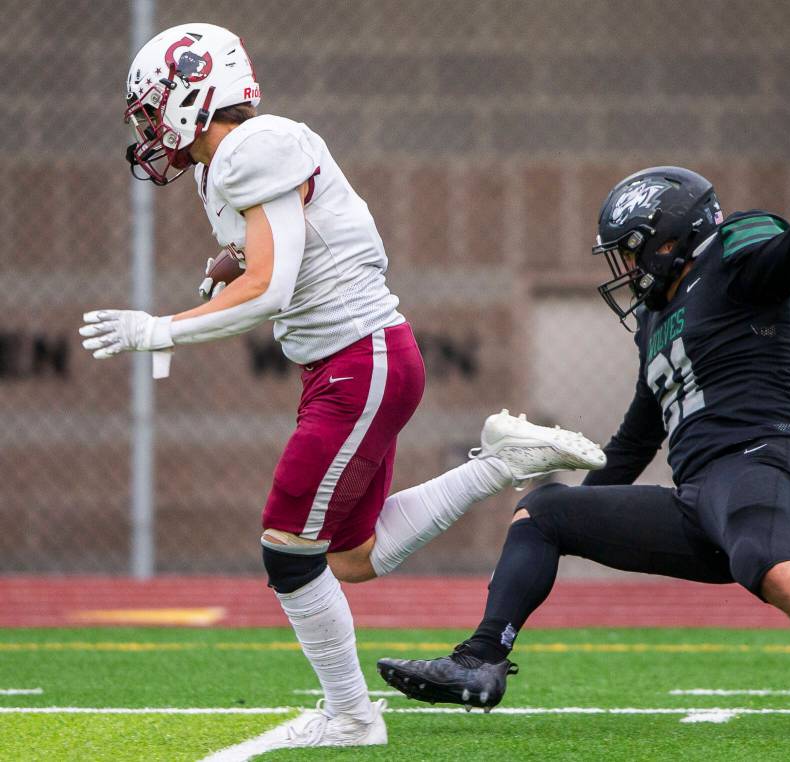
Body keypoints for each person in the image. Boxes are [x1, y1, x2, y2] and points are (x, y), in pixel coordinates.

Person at [78, 23, 605, 750]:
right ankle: (503, 465)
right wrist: (233, 258)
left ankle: (351, 716)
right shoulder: (229, 160)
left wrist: (160, 329)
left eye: (151, 107)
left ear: (193, 93)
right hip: (354, 361)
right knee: (348, 557)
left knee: (286, 551)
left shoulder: (250, 148)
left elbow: (271, 286)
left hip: (360, 361)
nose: (146, 127)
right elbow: (284, 246)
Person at [379, 151, 790, 741]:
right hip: (698, 501)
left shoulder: (733, 254)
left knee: (764, 560)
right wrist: (582, 520)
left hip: (764, 463)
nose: (625, 265)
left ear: (670, 238)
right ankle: (481, 659)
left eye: (631, 247)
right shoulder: (657, 320)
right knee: (544, 513)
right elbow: (636, 437)